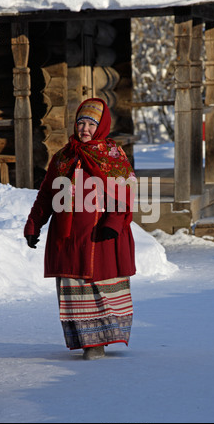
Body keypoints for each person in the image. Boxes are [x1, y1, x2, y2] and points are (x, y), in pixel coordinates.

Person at [24, 98, 136, 360]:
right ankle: (88, 343)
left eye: (91, 124)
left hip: (102, 237)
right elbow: (46, 194)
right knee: (77, 288)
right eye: (81, 123)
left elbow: (126, 191)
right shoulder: (64, 156)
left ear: (101, 126)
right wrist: (33, 224)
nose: (85, 128)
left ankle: (101, 341)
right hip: (70, 238)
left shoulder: (112, 155)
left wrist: (114, 222)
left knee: (102, 285)